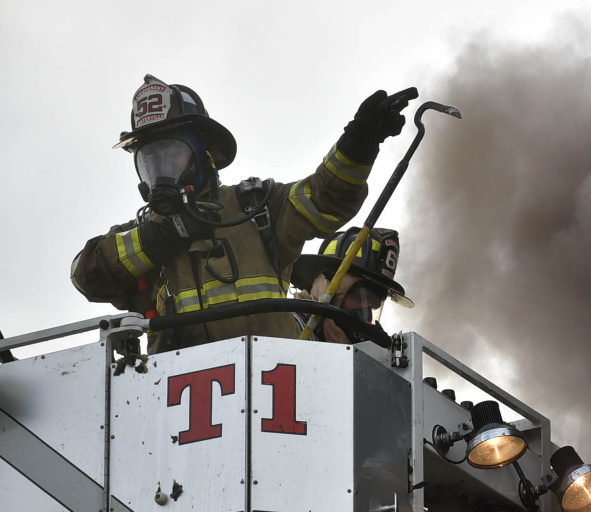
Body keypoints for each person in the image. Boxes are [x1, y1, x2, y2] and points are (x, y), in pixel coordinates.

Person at [70, 74, 413, 353]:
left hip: (275, 407)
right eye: (151, 160)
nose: (162, 169)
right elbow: (86, 275)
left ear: (205, 154)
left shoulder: (258, 209)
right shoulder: (142, 239)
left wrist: (359, 144)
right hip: (181, 421)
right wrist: (160, 237)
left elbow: (324, 200)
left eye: (172, 153)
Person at [290, 227, 413, 344]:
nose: (367, 311)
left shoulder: (363, 356)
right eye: (361, 297)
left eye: (375, 304)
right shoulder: (287, 331)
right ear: (328, 290)